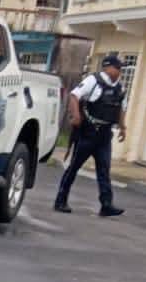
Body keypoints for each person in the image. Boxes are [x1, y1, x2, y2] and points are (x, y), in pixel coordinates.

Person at [54, 54, 128, 217]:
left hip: (104, 136)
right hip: (87, 134)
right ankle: (61, 200)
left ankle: (106, 204)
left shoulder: (119, 88)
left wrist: (123, 127)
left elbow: (121, 108)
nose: (120, 71)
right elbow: (74, 96)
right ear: (107, 67)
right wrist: (75, 116)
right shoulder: (92, 81)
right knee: (73, 168)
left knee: (104, 170)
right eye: (117, 67)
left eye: (121, 68)